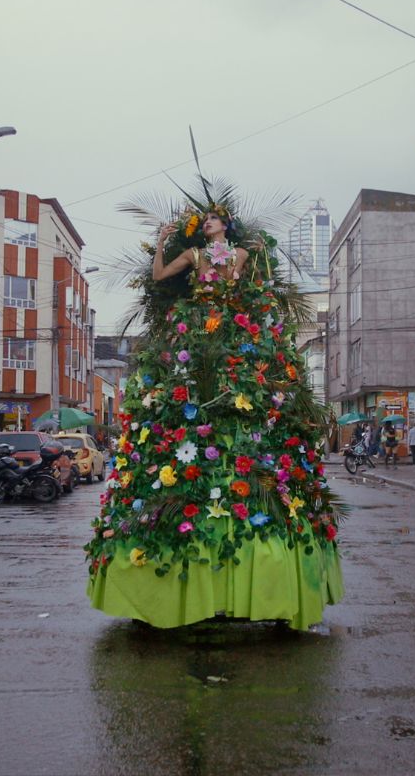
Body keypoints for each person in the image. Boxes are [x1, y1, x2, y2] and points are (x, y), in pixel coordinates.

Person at [84, 185, 343, 630]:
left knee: (248, 391)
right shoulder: (196, 257)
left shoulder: (240, 255)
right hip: (197, 335)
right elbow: (161, 276)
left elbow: (259, 280)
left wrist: (264, 252)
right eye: (203, 221)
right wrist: (165, 241)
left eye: (213, 219)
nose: (207, 223)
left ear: (226, 224)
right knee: (192, 394)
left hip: (238, 333)